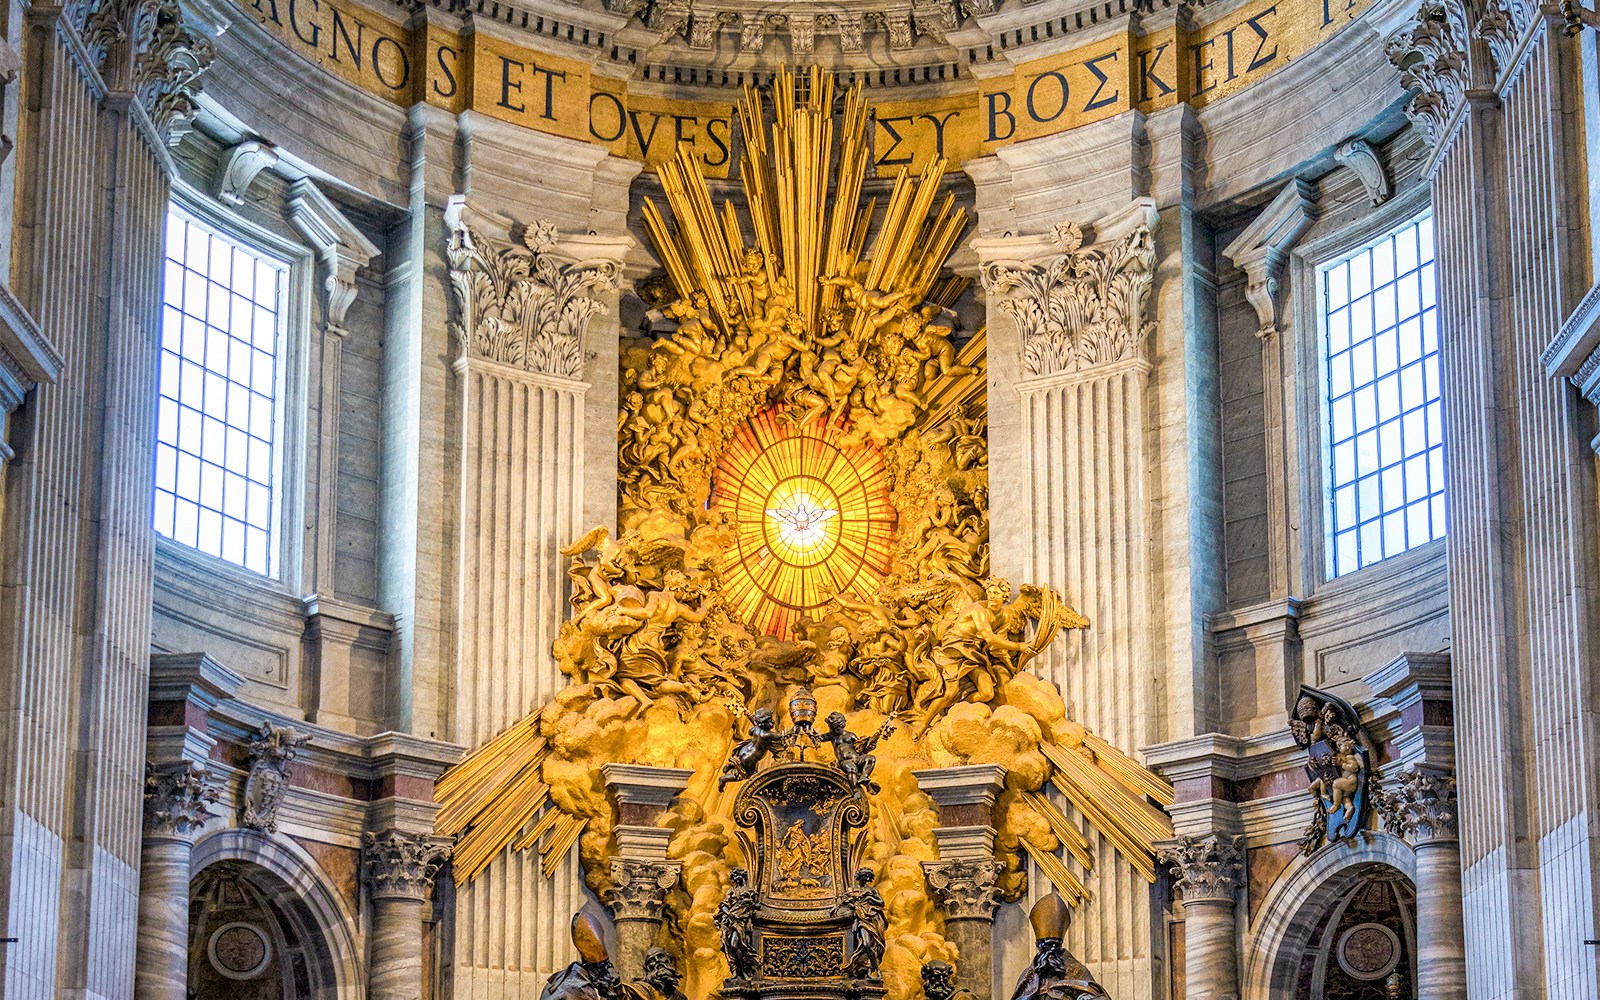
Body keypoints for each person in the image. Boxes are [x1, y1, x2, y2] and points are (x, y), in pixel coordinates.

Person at [833, 868, 886, 979]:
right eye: (865, 876)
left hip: (871, 918)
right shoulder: (852, 890)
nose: (867, 878)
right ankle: (869, 968)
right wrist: (836, 908)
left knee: (869, 944)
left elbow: (881, 902)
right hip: (860, 919)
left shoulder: (872, 890)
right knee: (865, 944)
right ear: (860, 876)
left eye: (868, 877)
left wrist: (870, 898)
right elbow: (844, 901)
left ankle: (872, 970)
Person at [715, 867, 761, 982]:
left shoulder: (750, 890)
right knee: (730, 945)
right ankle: (736, 971)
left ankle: (744, 970)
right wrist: (729, 914)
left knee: (735, 944)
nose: (736, 879)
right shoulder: (731, 891)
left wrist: (749, 908)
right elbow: (723, 905)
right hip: (731, 921)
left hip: (742, 921)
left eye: (737, 876)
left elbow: (757, 906)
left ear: (742, 877)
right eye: (734, 877)